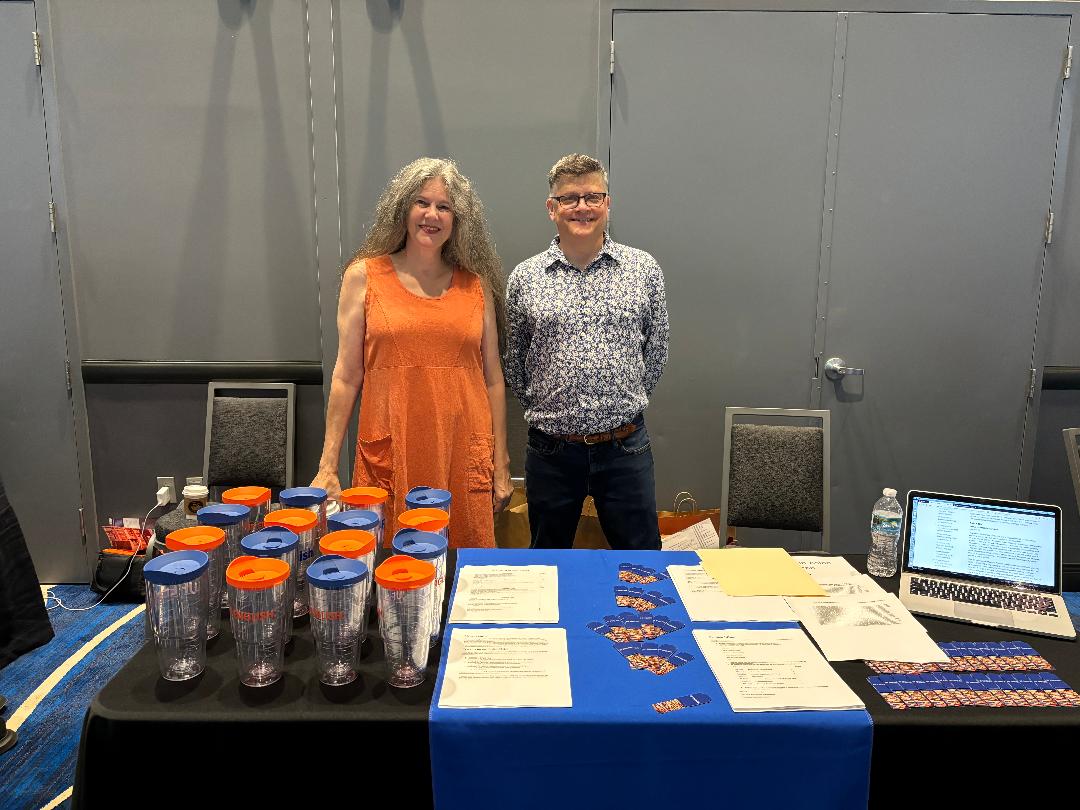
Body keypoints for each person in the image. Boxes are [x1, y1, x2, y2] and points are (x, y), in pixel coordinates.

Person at [312, 158, 513, 547]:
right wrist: (327, 464)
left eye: (445, 207)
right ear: (403, 208)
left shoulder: (476, 286)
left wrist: (501, 462)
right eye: (422, 203)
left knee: (462, 571)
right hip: (391, 449)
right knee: (394, 579)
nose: (432, 214)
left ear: (458, 220)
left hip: (462, 450)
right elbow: (346, 375)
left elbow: (492, 379)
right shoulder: (364, 276)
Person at [504, 153, 669, 550]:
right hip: (552, 451)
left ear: (608, 203)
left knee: (642, 560)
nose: (582, 207)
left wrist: (617, 402)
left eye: (593, 197)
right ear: (551, 208)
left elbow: (656, 351)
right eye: (570, 198)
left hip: (625, 445)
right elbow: (514, 363)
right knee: (547, 560)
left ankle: (641, 617)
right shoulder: (525, 279)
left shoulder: (643, 270)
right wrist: (556, 408)